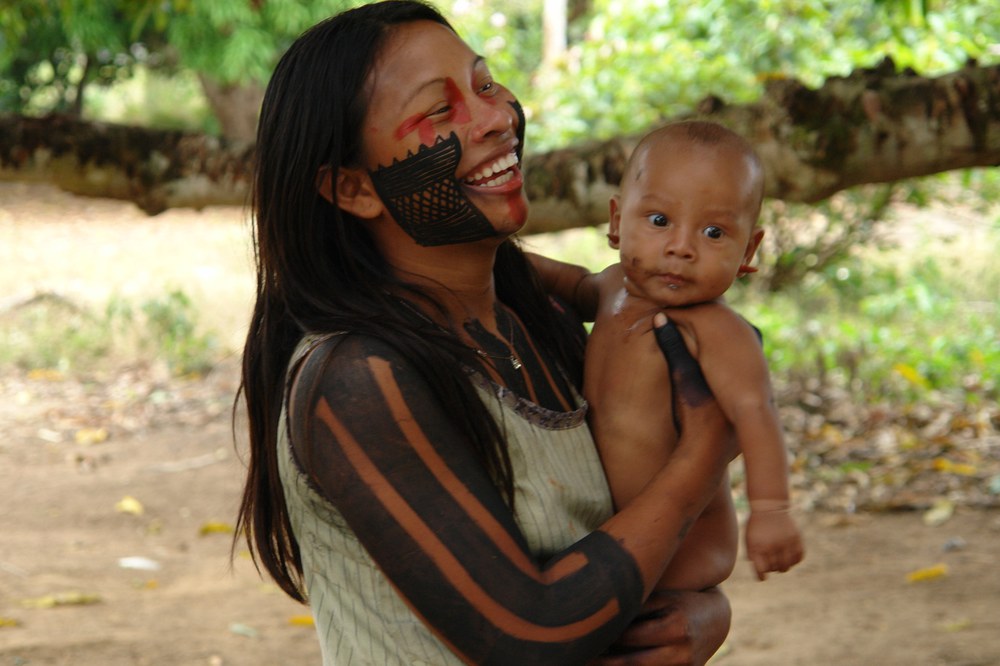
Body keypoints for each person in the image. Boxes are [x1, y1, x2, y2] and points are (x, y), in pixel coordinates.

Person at [234, 3, 737, 664]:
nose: (498, 116)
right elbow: (530, 633)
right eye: (439, 112)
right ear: (353, 189)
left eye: (487, 84)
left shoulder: (538, 322)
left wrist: (704, 613)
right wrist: (702, 457)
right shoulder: (357, 381)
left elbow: (636, 550)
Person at [529, 120, 805, 591]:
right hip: (617, 528)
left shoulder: (718, 331)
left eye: (714, 232)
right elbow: (572, 284)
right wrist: (497, 253)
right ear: (617, 222)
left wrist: (771, 511)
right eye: (659, 221)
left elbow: (756, 413)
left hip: (685, 541)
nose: (681, 247)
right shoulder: (613, 287)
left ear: (749, 249)